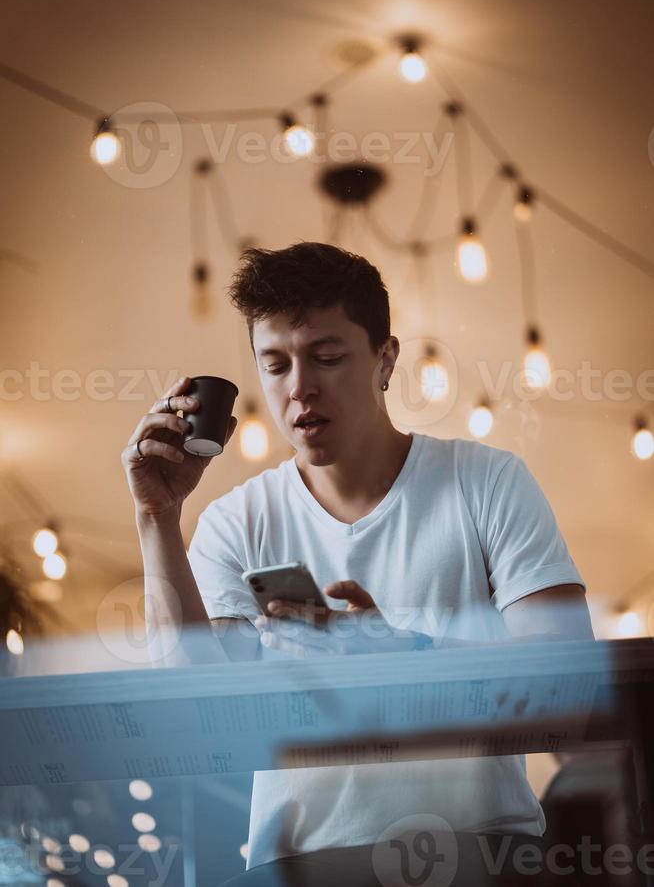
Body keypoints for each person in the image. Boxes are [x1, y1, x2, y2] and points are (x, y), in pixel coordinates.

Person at [122, 242, 595, 885]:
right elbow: (194, 719)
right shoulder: (236, 520)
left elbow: (566, 684)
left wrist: (406, 657)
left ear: (386, 359)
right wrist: (157, 518)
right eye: (275, 365)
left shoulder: (486, 481)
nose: (300, 388)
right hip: (296, 863)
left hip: (481, 852)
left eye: (328, 356)